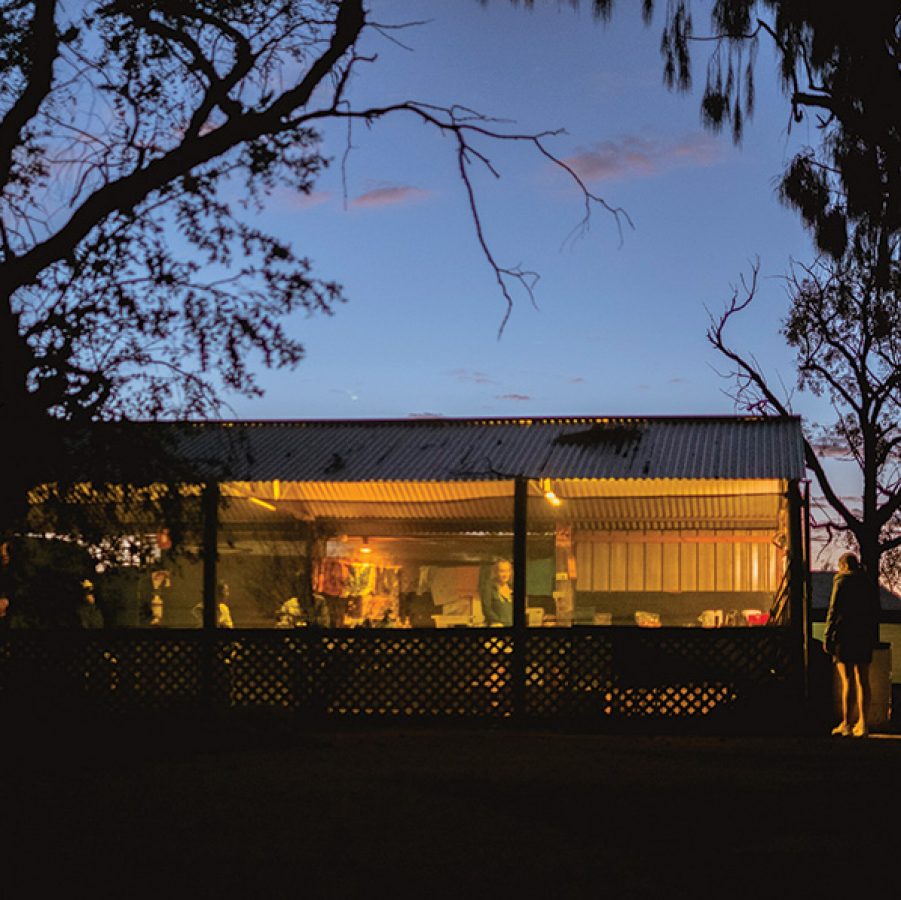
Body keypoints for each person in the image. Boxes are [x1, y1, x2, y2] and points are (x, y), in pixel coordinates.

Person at [823, 552, 877, 737]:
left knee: (848, 680)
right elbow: (873, 609)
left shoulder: (841, 581)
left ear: (843, 565)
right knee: (863, 679)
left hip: (844, 634)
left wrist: (828, 635)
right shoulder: (867, 583)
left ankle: (847, 722)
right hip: (863, 635)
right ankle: (864, 723)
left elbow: (833, 609)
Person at [482, 559, 513, 627]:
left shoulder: (512, 588)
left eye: (507, 571)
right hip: (497, 626)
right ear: (496, 572)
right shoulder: (489, 587)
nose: (505, 574)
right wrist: (497, 621)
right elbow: (487, 609)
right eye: (502, 571)